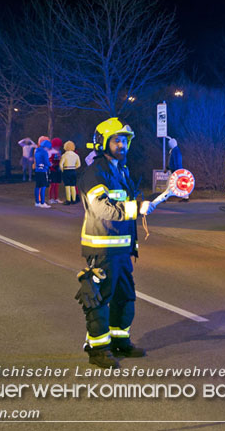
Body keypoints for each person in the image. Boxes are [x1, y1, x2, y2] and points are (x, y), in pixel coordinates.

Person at [75, 117, 157, 369]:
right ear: (103, 143)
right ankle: (98, 350)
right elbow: (102, 207)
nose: (121, 145)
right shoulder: (96, 171)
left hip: (121, 249)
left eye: (124, 141)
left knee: (125, 296)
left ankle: (120, 342)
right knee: (99, 300)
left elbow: (124, 205)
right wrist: (135, 208)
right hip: (102, 249)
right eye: (116, 141)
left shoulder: (121, 170)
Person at [59, 140, 81, 205]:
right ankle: (74, 200)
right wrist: (74, 167)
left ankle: (68, 200)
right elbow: (79, 164)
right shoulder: (76, 155)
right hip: (73, 170)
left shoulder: (64, 155)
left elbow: (61, 164)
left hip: (66, 170)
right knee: (73, 186)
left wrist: (62, 170)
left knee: (67, 186)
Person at [34, 139, 52, 208]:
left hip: (37, 170)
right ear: (46, 146)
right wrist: (50, 164)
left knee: (37, 186)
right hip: (43, 171)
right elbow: (46, 162)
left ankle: (37, 202)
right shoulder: (44, 152)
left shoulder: (37, 151)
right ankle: (42, 202)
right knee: (43, 186)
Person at [48, 137, 63, 203]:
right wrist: (52, 165)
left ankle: (56, 198)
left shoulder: (59, 152)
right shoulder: (50, 152)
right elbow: (49, 161)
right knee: (52, 184)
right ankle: (51, 198)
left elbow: (61, 160)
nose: (58, 147)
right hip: (52, 169)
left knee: (57, 184)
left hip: (58, 169)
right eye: (57, 146)